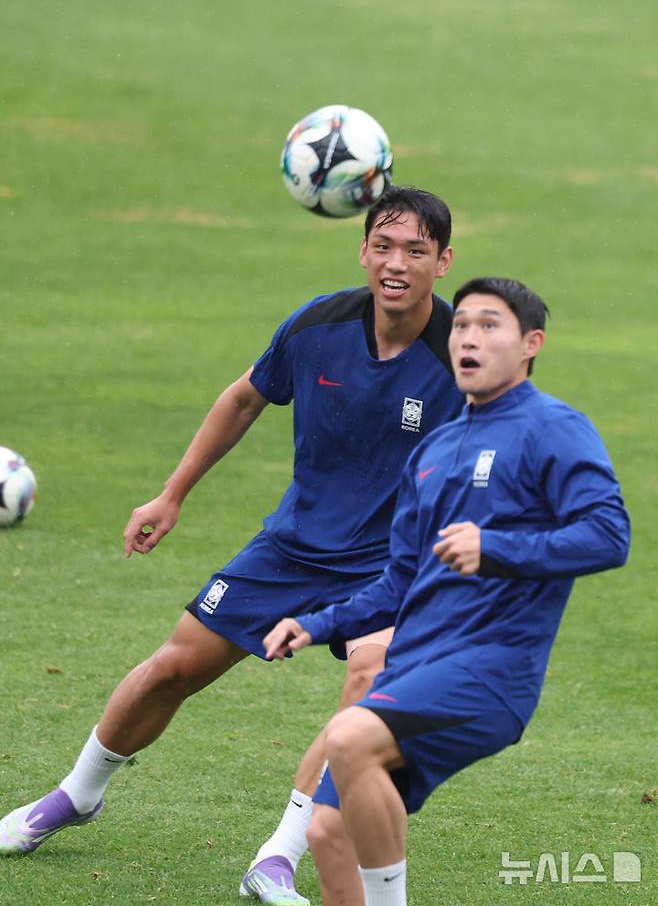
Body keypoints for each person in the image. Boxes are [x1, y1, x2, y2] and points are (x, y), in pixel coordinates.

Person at [0, 187, 465, 903]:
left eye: (415, 251)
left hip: (392, 564)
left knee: (371, 673)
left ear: (444, 261)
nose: (396, 264)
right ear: (362, 248)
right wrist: (172, 493)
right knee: (170, 670)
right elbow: (245, 396)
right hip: (294, 545)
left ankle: (277, 856)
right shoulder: (317, 326)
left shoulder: (463, 357)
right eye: (383, 246)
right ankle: (75, 795)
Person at [263, 276, 631, 906]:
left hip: (489, 672)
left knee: (349, 738)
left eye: (490, 325)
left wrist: (497, 548)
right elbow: (399, 581)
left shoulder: (553, 428)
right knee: (328, 834)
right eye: (461, 325)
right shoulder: (433, 450)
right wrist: (317, 624)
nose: (468, 337)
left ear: (530, 344)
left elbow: (608, 534)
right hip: (416, 669)